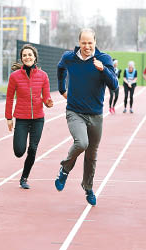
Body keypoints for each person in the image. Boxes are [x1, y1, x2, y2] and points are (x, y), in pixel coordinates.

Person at [55, 28, 118, 206]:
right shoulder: (70, 57)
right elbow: (61, 69)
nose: (87, 46)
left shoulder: (104, 59)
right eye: (84, 43)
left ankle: (88, 187)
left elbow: (114, 85)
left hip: (96, 115)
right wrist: (62, 89)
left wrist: (103, 69)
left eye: (90, 43)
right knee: (81, 143)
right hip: (75, 111)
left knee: (91, 154)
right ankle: (64, 169)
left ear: (95, 42)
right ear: (79, 42)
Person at [5, 44, 53, 189]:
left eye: (30, 55)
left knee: (32, 149)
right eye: (24, 55)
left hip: (38, 118)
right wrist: (8, 118)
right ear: (22, 58)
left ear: (35, 57)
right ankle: (22, 164)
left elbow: (46, 96)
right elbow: (9, 98)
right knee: (19, 151)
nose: (27, 57)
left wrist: (48, 102)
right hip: (21, 118)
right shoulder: (14, 77)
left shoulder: (43, 76)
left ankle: (24, 178)